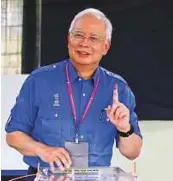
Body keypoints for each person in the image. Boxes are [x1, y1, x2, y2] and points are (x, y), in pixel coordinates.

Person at [5, 8, 142, 177]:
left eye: (93, 38)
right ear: (69, 39)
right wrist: (43, 150)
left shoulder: (118, 88)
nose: (84, 43)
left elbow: (132, 152)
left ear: (105, 47)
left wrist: (124, 128)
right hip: (46, 177)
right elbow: (13, 135)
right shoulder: (39, 81)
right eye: (78, 35)